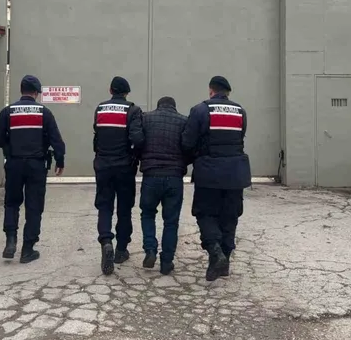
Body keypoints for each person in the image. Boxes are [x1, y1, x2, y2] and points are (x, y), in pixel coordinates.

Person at [182, 76, 251, 281]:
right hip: (235, 174)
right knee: (230, 216)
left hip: (209, 173)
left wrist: (194, 158)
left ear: (211, 91)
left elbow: (187, 142)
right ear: (227, 93)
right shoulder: (240, 111)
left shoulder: (200, 110)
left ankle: (215, 251)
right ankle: (222, 263)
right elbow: (240, 138)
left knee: (205, 214)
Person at [0, 74, 65, 264]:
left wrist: (9, 149)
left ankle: (10, 241)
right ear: (36, 93)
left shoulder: (8, 111)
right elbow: (56, 140)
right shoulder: (44, 113)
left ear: (21, 90)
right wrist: (60, 160)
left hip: (14, 163)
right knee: (34, 206)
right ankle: (27, 249)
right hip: (36, 165)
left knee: (12, 203)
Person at [93, 76, 145, 275]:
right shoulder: (132, 110)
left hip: (103, 165)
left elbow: (97, 133)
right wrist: (136, 155)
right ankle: (121, 249)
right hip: (124, 167)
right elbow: (137, 139)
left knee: (104, 206)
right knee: (124, 208)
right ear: (127, 93)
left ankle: (106, 241)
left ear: (110, 90)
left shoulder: (100, 108)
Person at [138, 96, 189, 276]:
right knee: (171, 221)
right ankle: (167, 262)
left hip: (151, 175)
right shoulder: (183, 121)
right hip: (174, 177)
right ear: (174, 107)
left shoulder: (146, 118)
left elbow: (138, 141)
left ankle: (150, 250)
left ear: (158, 106)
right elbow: (188, 146)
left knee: (147, 214)